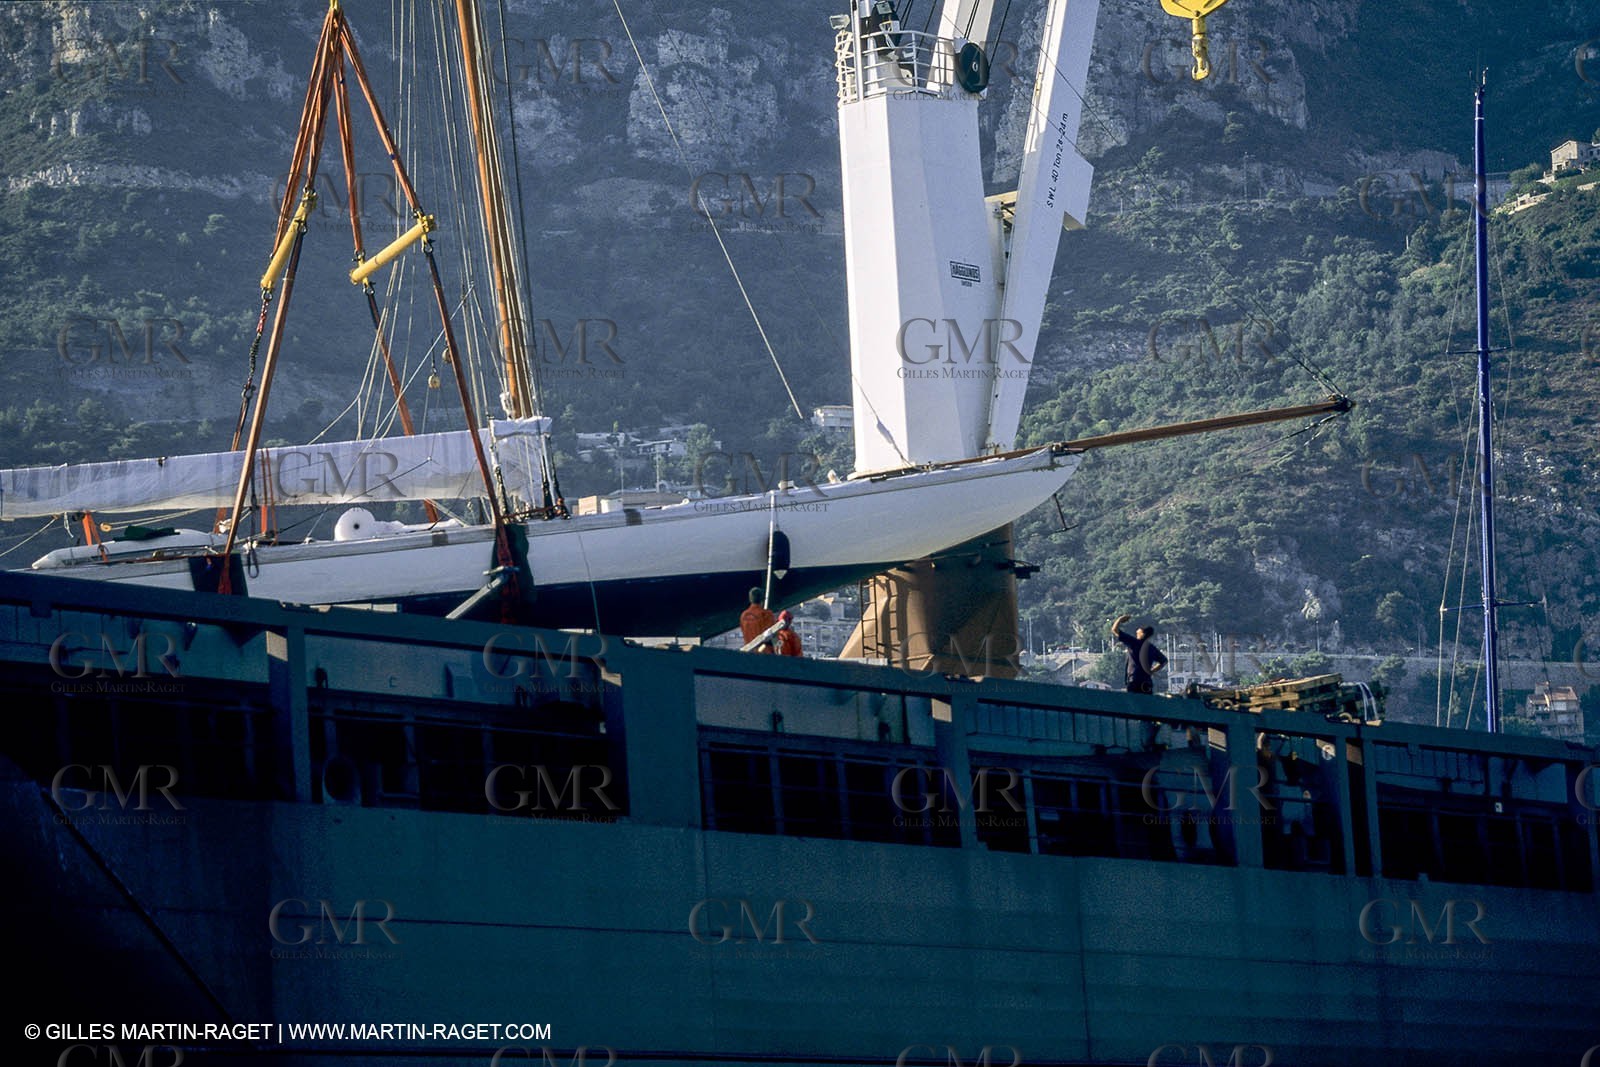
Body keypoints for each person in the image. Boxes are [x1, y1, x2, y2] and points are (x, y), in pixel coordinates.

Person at [1111, 613, 1167, 694]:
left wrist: (1120, 619)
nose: (1137, 631)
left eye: (1139, 630)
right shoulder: (1151, 648)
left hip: (1134, 681)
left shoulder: (1134, 643)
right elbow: (1164, 661)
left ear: (1142, 633)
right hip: (1146, 682)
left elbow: (1114, 630)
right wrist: (1151, 671)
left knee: (1133, 704)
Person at [740, 587, 776, 652]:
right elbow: (773, 634)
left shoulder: (743, 615)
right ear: (762, 599)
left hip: (749, 653)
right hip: (765, 653)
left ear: (750, 599)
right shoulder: (766, 614)